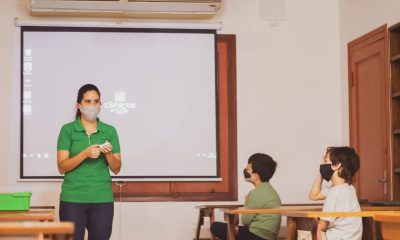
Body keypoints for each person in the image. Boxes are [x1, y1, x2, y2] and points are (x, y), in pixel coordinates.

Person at [57, 84, 122, 240]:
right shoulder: (67, 130)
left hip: (102, 199)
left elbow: (117, 168)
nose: (92, 106)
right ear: (79, 105)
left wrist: (108, 155)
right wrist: (84, 154)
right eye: (88, 101)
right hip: (72, 199)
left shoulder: (110, 130)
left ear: (101, 104)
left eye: (96, 101)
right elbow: (62, 167)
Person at [210, 153, 281, 240]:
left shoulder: (256, 193)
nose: (245, 171)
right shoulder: (271, 190)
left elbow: (245, 221)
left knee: (215, 226)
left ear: (256, 175)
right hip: (270, 236)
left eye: (248, 169)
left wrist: (246, 202)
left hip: (257, 236)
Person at [309, 146, 362, 240]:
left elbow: (323, 226)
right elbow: (314, 196)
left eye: (325, 162)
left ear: (336, 165)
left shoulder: (335, 192)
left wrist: (314, 223)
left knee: (304, 229)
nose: (322, 165)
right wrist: (322, 172)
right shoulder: (348, 188)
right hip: (352, 238)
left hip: (337, 237)